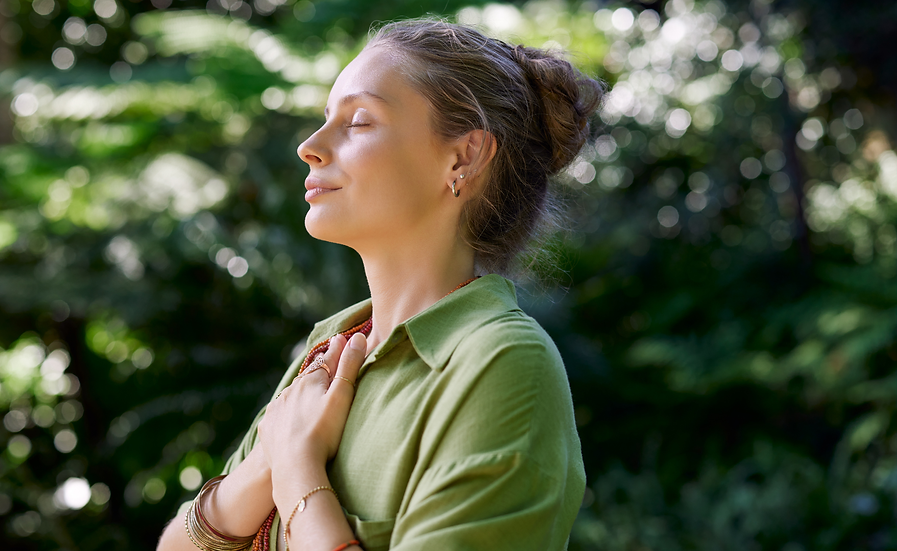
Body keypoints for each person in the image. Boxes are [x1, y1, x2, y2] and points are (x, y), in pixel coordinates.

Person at [158, 18, 602, 551]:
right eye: (326, 119)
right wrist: (266, 463)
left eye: (359, 121)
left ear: (463, 157)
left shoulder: (503, 363)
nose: (310, 146)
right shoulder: (329, 350)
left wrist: (299, 473)